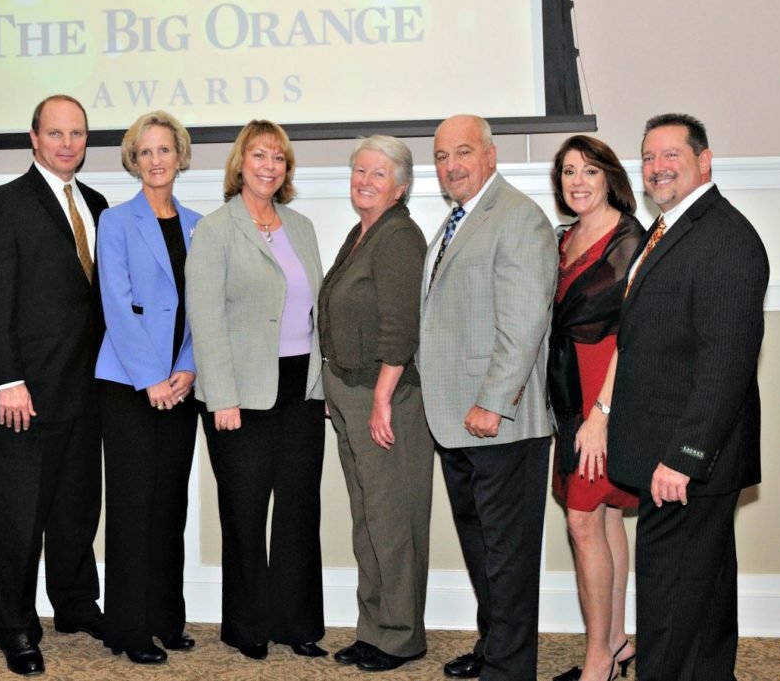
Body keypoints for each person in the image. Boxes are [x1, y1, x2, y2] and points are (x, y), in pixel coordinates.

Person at [607, 114, 768, 681]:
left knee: (670, 610)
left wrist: (685, 457)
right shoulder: (671, 230)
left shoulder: (725, 239)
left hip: (683, 464)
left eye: (671, 154)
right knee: (701, 604)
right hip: (668, 457)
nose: (657, 167)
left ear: (705, 159)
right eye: (649, 157)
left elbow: (725, 363)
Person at [0, 95, 106, 676]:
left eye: (77, 133)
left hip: (88, 388)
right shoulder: (5, 204)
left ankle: (75, 605)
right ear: (34, 138)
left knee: (77, 509)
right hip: (26, 393)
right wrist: (8, 379)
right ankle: (16, 626)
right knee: (22, 516)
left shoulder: (98, 204)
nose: (67, 143)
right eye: (56, 133)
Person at [418, 114, 557, 680]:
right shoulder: (456, 220)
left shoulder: (519, 218)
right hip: (457, 421)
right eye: (443, 156)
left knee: (508, 556)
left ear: (491, 156)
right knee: (482, 551)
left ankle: (510, 668)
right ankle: (493, 648)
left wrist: (493, 402)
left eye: (463, 153)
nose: (452, 165)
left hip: (500, 423)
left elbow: (523, 325)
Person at [186, 119, 327, 661]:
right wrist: (220, 395)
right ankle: (246, 628)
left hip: (300, 390)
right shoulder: (217, 230)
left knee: (298, 510)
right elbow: (206, 318)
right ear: (240, 164)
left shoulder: (303, 226)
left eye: (278, 158)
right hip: (239, 395)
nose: (269, 166)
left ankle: (297, 625)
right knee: (244, 513)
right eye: (259, 156)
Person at [319, 135, 432, 673]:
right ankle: (373, 630)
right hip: (351, 392)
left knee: (393, 521)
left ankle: (401, 637)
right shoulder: (361, 233)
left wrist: (381, 400)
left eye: (378, 174)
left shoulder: (399, 237)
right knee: (367, 520)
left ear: (401, 188)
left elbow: (399, 326)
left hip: (385, 398)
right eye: (360, 170)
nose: (364, 180)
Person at [95, 111, 202, 665]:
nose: (156, 160)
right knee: (134, 506)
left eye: (165, 150)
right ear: (133, 159)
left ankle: (166, 617)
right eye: (145, 151)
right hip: (129, 385)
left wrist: (185, 369)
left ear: (180, 156)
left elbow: (201, 310)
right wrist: (152, 379)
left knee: (170, 507)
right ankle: (129, 628)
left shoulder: (199, 225)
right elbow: (116, 305)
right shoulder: (115, 222)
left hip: (180, 385)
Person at [546, 136, 644, 681]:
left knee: (583, 519)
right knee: (604, 516)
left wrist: (601, 415)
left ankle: (598, 660)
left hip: (605, 393)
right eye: (567, 173)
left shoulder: (632, 239)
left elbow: (633, 335)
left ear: (609, 176)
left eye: (588, 170)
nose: (577, 182)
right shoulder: (564, 238)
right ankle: (616, 642)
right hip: (569, 390)